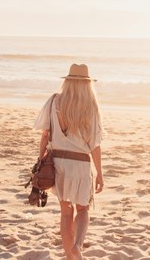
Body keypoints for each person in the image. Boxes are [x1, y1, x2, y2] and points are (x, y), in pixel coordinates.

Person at [33, 63, 104, 260]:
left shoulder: (55, 101)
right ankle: (77, 246)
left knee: (66, 212)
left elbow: (45, 136)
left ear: (67, 81)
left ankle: (71, 256)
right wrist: (99, 172)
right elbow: (95, 144)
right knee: (83, 209)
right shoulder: (90, 106)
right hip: (81, 164)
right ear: (87, 84)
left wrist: (41, 162)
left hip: (59, 163)